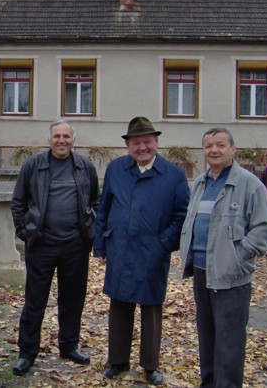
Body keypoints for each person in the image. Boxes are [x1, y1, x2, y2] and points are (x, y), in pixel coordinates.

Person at [93, 116, 190, 385]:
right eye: (136, 143)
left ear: (156, 142)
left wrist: (163, 244)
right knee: (119, 304)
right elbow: (104, 208)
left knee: (151, 307)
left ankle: (150, 365)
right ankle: (117, 360)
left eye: (147, 141)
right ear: (128, 145)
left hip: (153, 251)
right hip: (120, 248)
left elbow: (181, 215)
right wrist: (100, 244)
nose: (142, 148)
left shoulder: (174, 175)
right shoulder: (116, 169)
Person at [180, 127, 267, 388]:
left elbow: (265, 229)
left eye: (221, 145)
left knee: (229, 341)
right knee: (207, 337)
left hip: (231, 277)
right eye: (209, 146)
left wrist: (237, 257)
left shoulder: (249, 184)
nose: (214, 150)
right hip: (202, 272)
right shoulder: (200, 183)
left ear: (233, 149)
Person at [10, 119, 99, 376]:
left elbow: (96, 201)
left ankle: (69, 346)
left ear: (73, 140)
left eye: (66, 136)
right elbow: (18, 202)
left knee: (72, 299)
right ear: (49, 139)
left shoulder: (85, 167)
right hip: (42, 245)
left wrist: (90, 232)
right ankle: (27, 353)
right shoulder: (33, 166)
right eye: (57, 136)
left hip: (75, 245)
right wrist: (24, 232)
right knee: (35, 300)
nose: (62, 140)